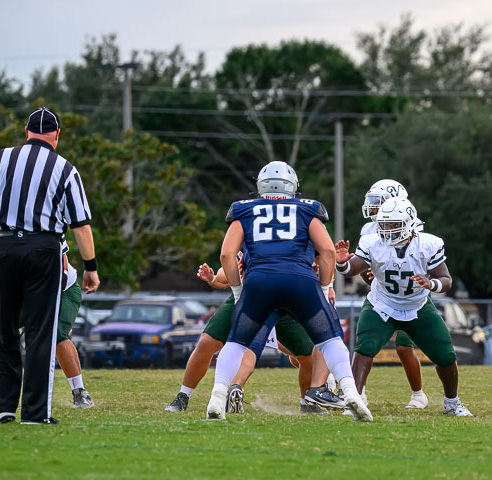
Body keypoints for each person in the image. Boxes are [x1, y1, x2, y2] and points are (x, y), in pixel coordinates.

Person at [0, 107, 99, 425]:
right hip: (43, 249)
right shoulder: (65, 168)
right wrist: (90, 266)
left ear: (26, 132)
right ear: (57, 135)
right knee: (40, 333)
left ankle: (4, 406)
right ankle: (35, 413)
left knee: (5, 328)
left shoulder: (1, 158)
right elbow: (81, 225)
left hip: (3, 246)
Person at [204, 161, 371, 421]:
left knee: (237, 342)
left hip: (259, 282)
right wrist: (325, 287)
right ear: (292, 185)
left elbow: (227, 254)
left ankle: (217, 396)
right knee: (330, 339)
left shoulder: (244, 209)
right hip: (300, 282)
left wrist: (238, 291)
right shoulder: (307, 208)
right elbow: (327, 251)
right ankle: (350, 393)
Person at [336, 197, 472, 417]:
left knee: (445, 355)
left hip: (417, 306)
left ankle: (451, 402)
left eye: (393, 224)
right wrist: (342, 263)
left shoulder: (427, 244)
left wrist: (431, 284)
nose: (387, 229)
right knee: (365, 348)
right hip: (382, 304)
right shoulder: (372, 242)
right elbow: (352, 269)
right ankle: (356, 400)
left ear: (409, 223)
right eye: (384, 224)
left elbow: (446, 279)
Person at [165, 258, 341, 415]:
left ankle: (307, 402)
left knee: (308, 355)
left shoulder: (298, 238)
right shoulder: (250, 236)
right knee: (208, 342)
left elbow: (325, 254)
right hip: (247, 299)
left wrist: (328, 285)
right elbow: (227, 266)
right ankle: (185, 396)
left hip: (286, 303)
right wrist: (214, 278)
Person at [0, 239, 94, 408]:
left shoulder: (45, 229)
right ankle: (0, 383)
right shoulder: (2, 238)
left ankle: (79, 391)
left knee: (58, 335)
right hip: (25, 296)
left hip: (61, 290)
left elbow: (63, 269)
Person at [360, 179, 427, 409]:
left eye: (377, 202)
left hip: (409, 294)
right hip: (381, 295)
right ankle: (359, 395)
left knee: (404, 347)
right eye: (372, 201)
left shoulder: (413, 226)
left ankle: (418, 394)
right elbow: (365, 267)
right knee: (365, 346)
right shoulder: (368, 230)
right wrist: (367, 273)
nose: (373, 206)